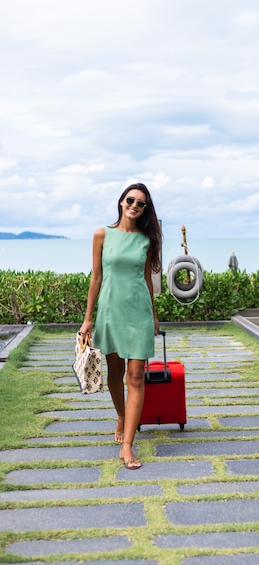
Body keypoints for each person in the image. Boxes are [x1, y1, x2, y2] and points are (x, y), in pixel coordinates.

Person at [80, 183, 162, 470]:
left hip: (137, 312)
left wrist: (153, 315)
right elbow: (96, 278)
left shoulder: (146, 240)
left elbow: (147, 280)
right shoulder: (102, 234)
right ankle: (122, 415)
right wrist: (88, 318)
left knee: (136, 377)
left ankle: (127, 446)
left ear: (145, 210)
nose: (135, 206)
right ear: (121, 201)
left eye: (141, 203)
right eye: (131, 200)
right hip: (111, 312)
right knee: (115, 373)